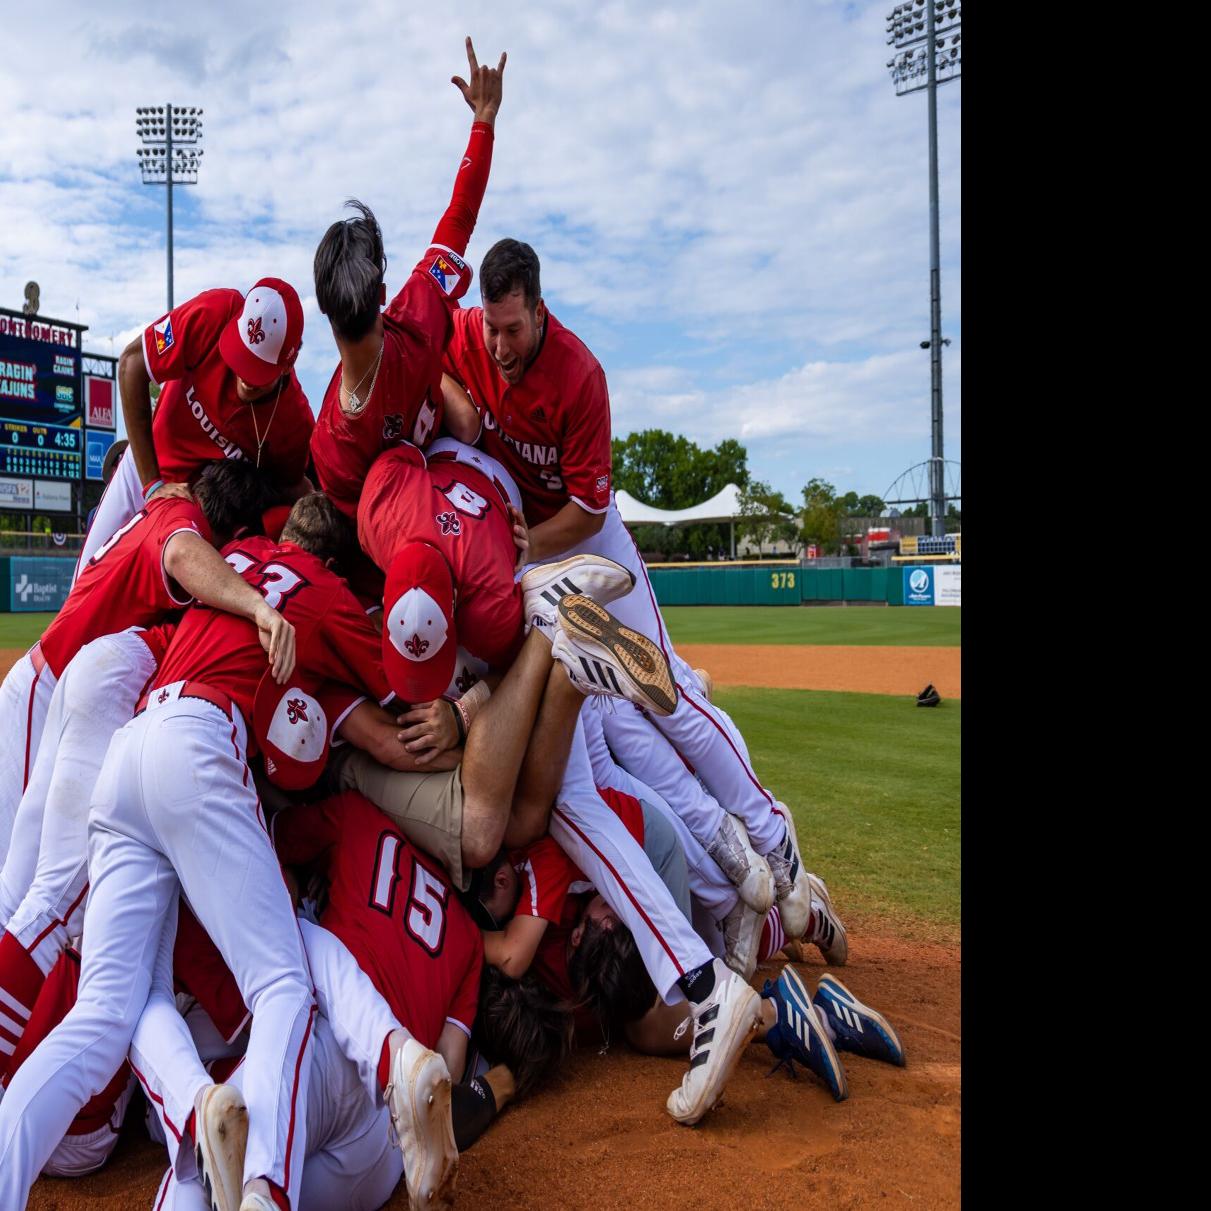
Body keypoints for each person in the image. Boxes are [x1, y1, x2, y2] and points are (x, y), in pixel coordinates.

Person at [0, 493, 388, 1211]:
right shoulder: (325, 591)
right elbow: (396, 692)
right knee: (282, 987)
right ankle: (264, 1186)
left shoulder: (232, 555)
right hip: (199, 741)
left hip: (127, 745)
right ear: (332, 560)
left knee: (102, 1012)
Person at [442, 239, 819, 941]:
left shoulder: (580, 373)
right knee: (610, 730)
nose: (497, 344)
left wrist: (522, 542)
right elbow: (413, 338)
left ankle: (772, 832)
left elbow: (586, 509)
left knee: (665, 690)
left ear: (539, 309)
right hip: (527, 559)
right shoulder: (463, 334)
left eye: (512, 328)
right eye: (489, 326)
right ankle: (726, 876)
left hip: (581, 539)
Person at [0, 460, 283, 1073]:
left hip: (71, 678)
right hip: (57, 685)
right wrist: (259, 605)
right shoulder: (179, 520)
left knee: (26, 896)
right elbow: (184, 556)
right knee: (47, 899)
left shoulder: (153, 506)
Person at [309, 38, 506, 519]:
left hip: (403, 537)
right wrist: (484, 118)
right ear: (380, 294)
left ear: (324, 310)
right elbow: (461, 214)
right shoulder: (416, 311)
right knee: (467, 425)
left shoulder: (330, 440)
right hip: (460, 484)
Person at [77, 278, 314, 574]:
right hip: (144, 469)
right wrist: (152, 484)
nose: (245, 376)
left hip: (195, 511)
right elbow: (132, 364)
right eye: (240, 357)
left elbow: (294, 488)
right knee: (85, 581)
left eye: (258, 369)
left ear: (288, 365)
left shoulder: (293, 421)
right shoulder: (213, 313)